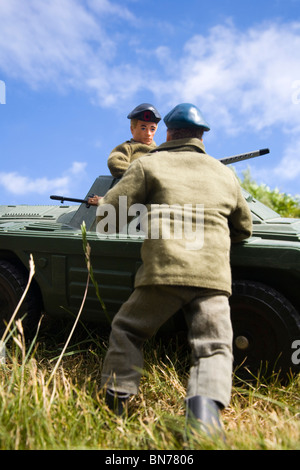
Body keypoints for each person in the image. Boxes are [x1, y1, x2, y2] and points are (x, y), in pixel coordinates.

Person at [89, 103, 252, 438]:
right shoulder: (225, 174)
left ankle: (115, 410)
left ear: (167, 134)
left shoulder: (149, 164)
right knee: (214, 347)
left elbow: (107, 218)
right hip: (213, 278)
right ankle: (204, 424)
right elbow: (243, 229)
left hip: (163, 271)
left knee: (128, 329)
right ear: (202, 136)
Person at [107, 103, 161, 178]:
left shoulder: (161, 151)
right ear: (132, 129)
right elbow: (115, 163)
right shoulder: (127, 147)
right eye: (143, 128)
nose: (148, 133)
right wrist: (141, 173)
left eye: (152, 129)